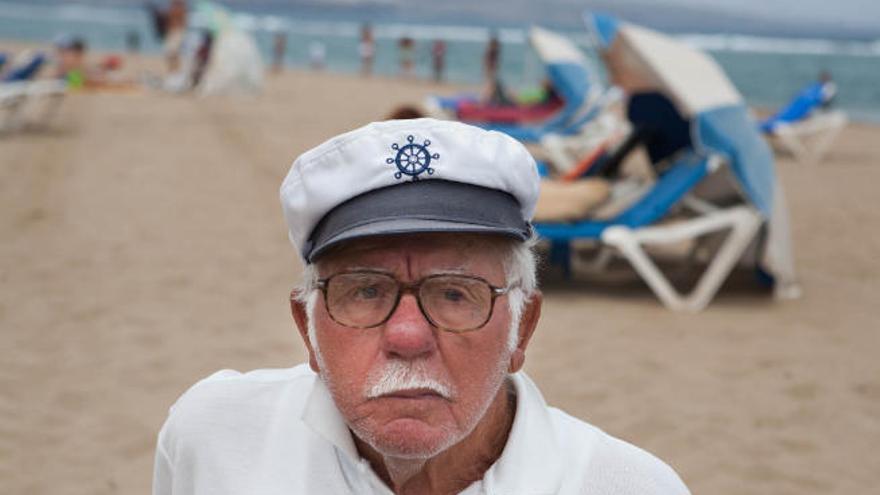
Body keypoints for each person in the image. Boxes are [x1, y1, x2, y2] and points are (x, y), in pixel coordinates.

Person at [152, 118, 691, 495]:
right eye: (365, 291)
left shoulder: (627, 487)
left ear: (521, 329)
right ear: (307, 327)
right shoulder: (213, 436)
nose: (408, 336)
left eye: (455, 293)